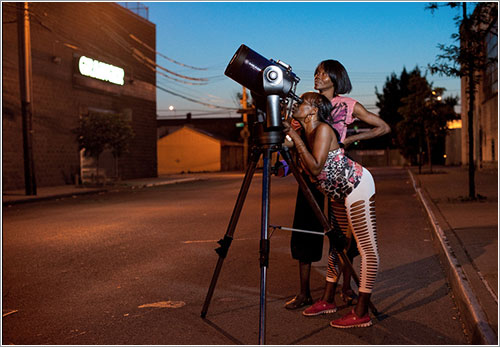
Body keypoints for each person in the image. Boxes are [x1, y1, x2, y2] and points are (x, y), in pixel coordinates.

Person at [286, 59, 390, 310]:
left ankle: (348, 289)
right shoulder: (307, 103)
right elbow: (294, 141)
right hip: (314, 174)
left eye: (323, 73)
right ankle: (310, 293)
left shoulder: (347, 105)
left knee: (347, 238)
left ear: (335, 77)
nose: (317, 76)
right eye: (316, 72)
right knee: (307, 229)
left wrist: (352, 139)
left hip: (337, 171)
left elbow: (383, 127)